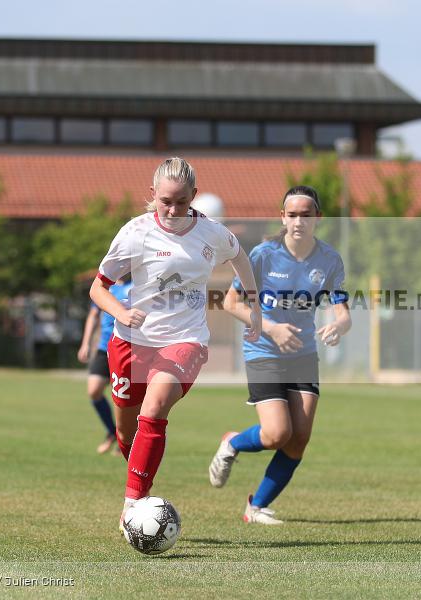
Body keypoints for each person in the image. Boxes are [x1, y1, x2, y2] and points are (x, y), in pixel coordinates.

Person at [89, 157, 262, 533]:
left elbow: (240, 258)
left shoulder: (211, 232)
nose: (172, 209)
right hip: (131, 342)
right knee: (125, 433)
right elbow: (98, 287)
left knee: (154, 406)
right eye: (165, 201)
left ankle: (131, 506)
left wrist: (254, 302)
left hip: (185, 341)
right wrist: (121, 311)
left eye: (181, 202)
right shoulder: (134, 233)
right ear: (152, 195)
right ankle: (141, 493)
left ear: (193, 197)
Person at [209, 185, 351, 525]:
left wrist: (339, 325)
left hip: (303, 354)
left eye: (306, 214)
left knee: (298, 439)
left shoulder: (329, 259)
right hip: (263, 350)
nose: (299, 221)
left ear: (318, 218)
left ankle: (255, 507)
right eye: (292, 214)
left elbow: (343, 312)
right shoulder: (262, 255)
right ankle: (232, 442)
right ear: (282, 217)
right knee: (276, 435)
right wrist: (271, 328)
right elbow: (231, 302)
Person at [77, 276, 133, 454]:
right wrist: (85, 343)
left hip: (127, 348)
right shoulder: (105, 286)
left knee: (124, 399)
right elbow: (93, 315)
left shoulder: (137, 285)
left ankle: (127, 440)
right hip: (104, 347)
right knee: (94, 391)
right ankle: (112, 432)